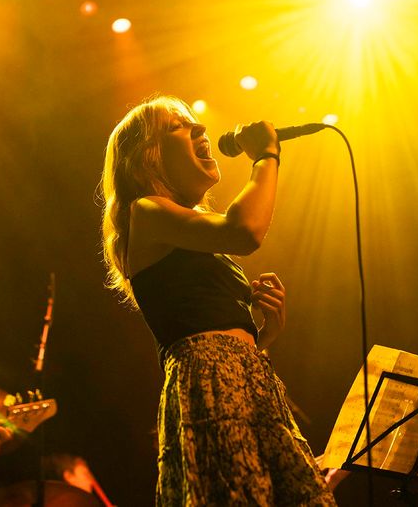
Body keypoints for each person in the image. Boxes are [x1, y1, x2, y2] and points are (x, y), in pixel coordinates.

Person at [100, 95, 336, 505]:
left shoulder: (191, 238)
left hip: (250, 380)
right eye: (178, 125)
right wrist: (265, 155)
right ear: (147, 157)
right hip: (209, 380)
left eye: (195, 121)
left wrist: (264, 337)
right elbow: (243, 230)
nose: (199, 129)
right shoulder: (146, 211)